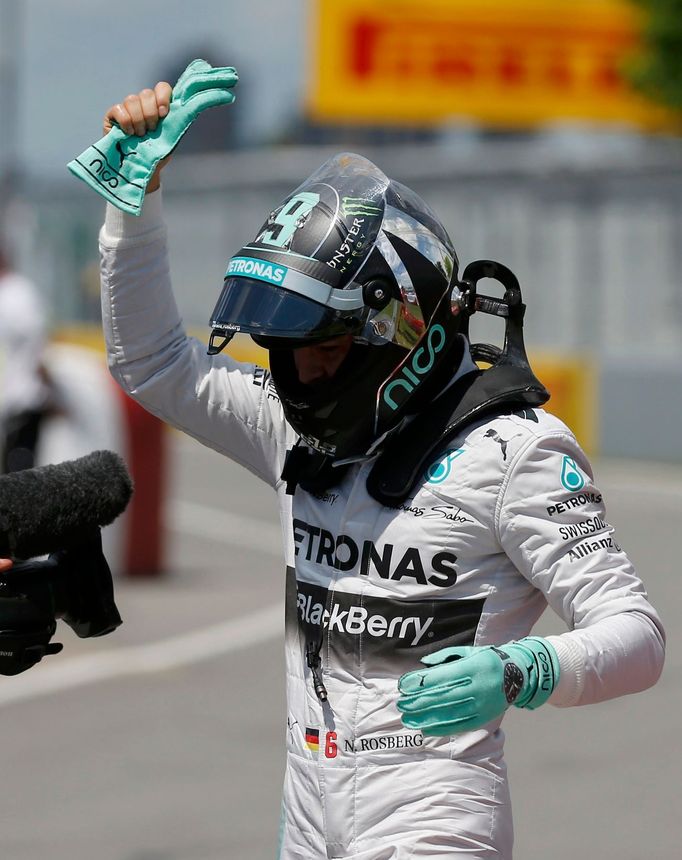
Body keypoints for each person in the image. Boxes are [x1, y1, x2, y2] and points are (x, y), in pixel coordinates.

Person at [96, 81, 665, 859]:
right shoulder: (291, 429)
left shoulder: (515, 452)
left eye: (326, 349)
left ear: (401, 334)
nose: (304, 375)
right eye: (289, 353)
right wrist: (135, 207)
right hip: (307, 805)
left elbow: (636, 637)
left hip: (435, 810)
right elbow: (153, 361)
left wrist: (520, 669)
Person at [0, 244, 55, 473]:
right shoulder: (16, 292)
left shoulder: (17, 292)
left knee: (18, 471)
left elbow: (37, 348)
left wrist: (48, 387)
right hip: (15, 399)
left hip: (22, 398)